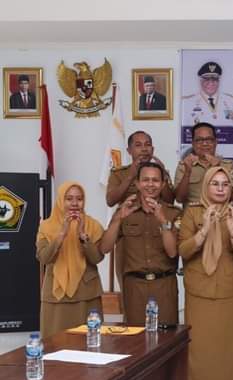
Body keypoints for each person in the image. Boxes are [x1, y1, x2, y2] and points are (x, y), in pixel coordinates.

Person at [178, 166, 233, 380]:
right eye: (215, 184)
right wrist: (203, 231)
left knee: (229, 346)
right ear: (206, 186)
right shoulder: (193, 213)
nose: (220, 189)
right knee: (202, 347)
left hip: (230, 289)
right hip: (200, 288)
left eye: (225, 185)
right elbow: (183, 251)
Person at [100, 162, 181, 325]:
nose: (150, 185)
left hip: (164, 286)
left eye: (155, 180)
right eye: (145, 180)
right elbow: (105, 248)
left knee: (166, 341)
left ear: (163, 184)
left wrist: (163, 221)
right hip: (134, 287)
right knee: (136, 342)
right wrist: (118, 219)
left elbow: (172, 252)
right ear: (137, 183)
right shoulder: (125, 210)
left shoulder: (173, 213)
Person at [37, 182, 104, 338]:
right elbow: (44, 258)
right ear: (61, 200)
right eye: (69, 199)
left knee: (88, 346)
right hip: (56, 298)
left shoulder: (93, 226)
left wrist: (83, 236)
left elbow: (96, 258)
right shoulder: (46, 227)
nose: (74, 203)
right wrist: (61, 234)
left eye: (79, 199)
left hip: (86, 296)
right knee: (54, 346)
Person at [174, 122, 233, 207]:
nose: (204, 144)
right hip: (193, 216)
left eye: (209, 140)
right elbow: (179, 199)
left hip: (221, 215)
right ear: (193, 143)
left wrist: (218, 168)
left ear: (216, 142)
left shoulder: (227, 165)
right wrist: (187, 172)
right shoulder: (184, 165)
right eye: (199, 140)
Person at [106, 131, 174, 207]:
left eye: (147, 145)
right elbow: (110, 201)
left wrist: (163, 174)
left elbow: (170, 201)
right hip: (128, 216)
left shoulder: (160, 171)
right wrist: (130, 177)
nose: (144, 149)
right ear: (129, 151)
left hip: (156, 216)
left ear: (152, 149)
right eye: (138, 145)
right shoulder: (118, 173)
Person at [182, 61, 233, 126]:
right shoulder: (188, 103)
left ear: (219, 81)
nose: (211, 83)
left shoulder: (230, 101)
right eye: (206, 79)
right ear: (200, 81)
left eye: (214, 79)